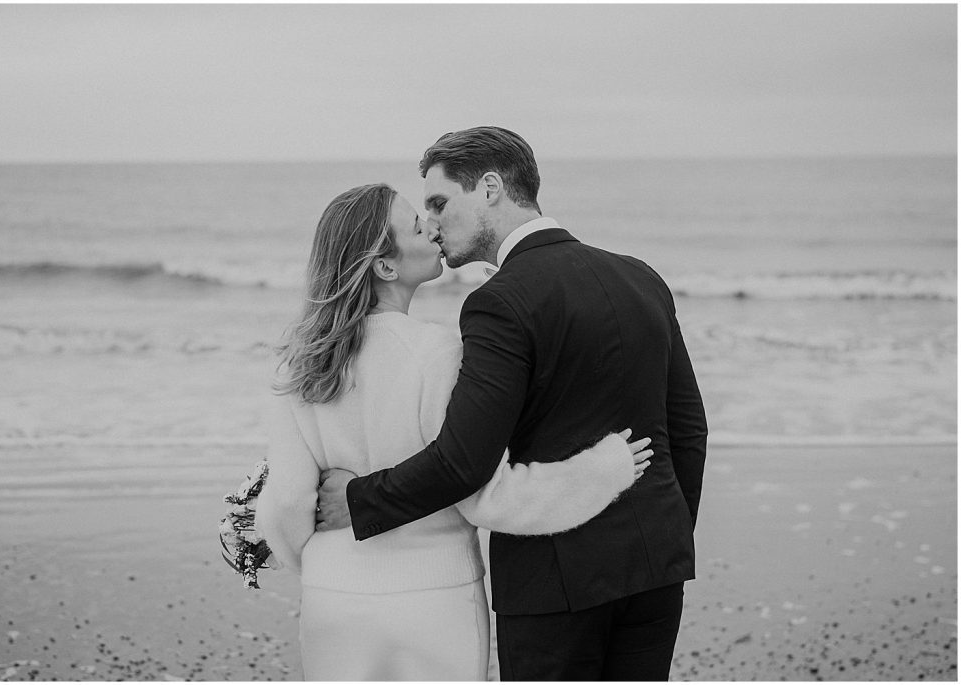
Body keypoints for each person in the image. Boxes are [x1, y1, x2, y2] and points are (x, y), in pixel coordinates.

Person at [315, 127, 708, 681]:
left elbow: (463, 461)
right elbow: (689, 429)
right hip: (658, 572)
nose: (430, 222)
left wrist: (358, 501)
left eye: (439, 201)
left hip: (555, 583)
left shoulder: (499, 303)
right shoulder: (640, 276)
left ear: (491, 188)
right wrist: (670, 534)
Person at [254, 182, 653, 681]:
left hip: (331, 599)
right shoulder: (438, 354)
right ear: (385, 266)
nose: (433, 228)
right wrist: (603, 470)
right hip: (434, 600)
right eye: (418, 226)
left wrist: (320, 565)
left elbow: (288, 501)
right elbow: (486, 494)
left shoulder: (298, 366)